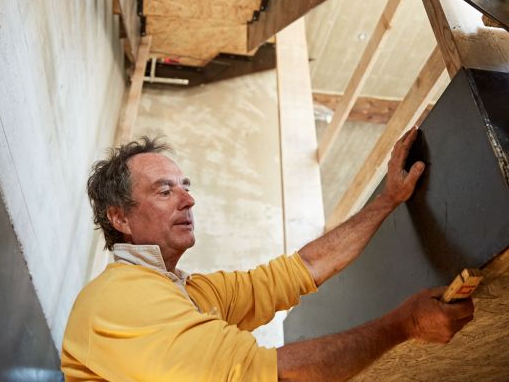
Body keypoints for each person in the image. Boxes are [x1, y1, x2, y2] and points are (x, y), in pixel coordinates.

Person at [61, 127, 474, 381]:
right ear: (121, 218)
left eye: (184, 186)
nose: (188, 199)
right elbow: (277, 374)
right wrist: (407, 324)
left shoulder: (190, 293)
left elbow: (300, 269)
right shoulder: (120, 299)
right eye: (165, 190)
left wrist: (387, 200)